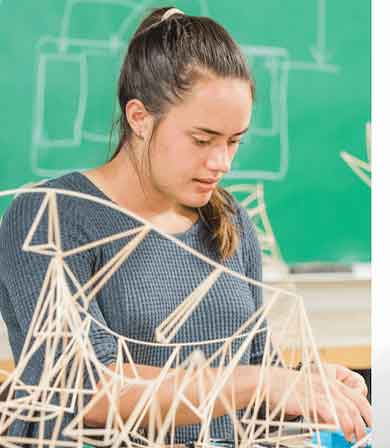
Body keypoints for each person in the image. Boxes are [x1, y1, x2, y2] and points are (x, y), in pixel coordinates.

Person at [0, 6, 371, 445]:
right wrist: (264, 383)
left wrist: (303, 384)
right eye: (202, 140)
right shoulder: (51, 216)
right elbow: (87, 390)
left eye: (234, 141)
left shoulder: (229, 220)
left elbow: (251, 377)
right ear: (139, 117)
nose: (222, 163)